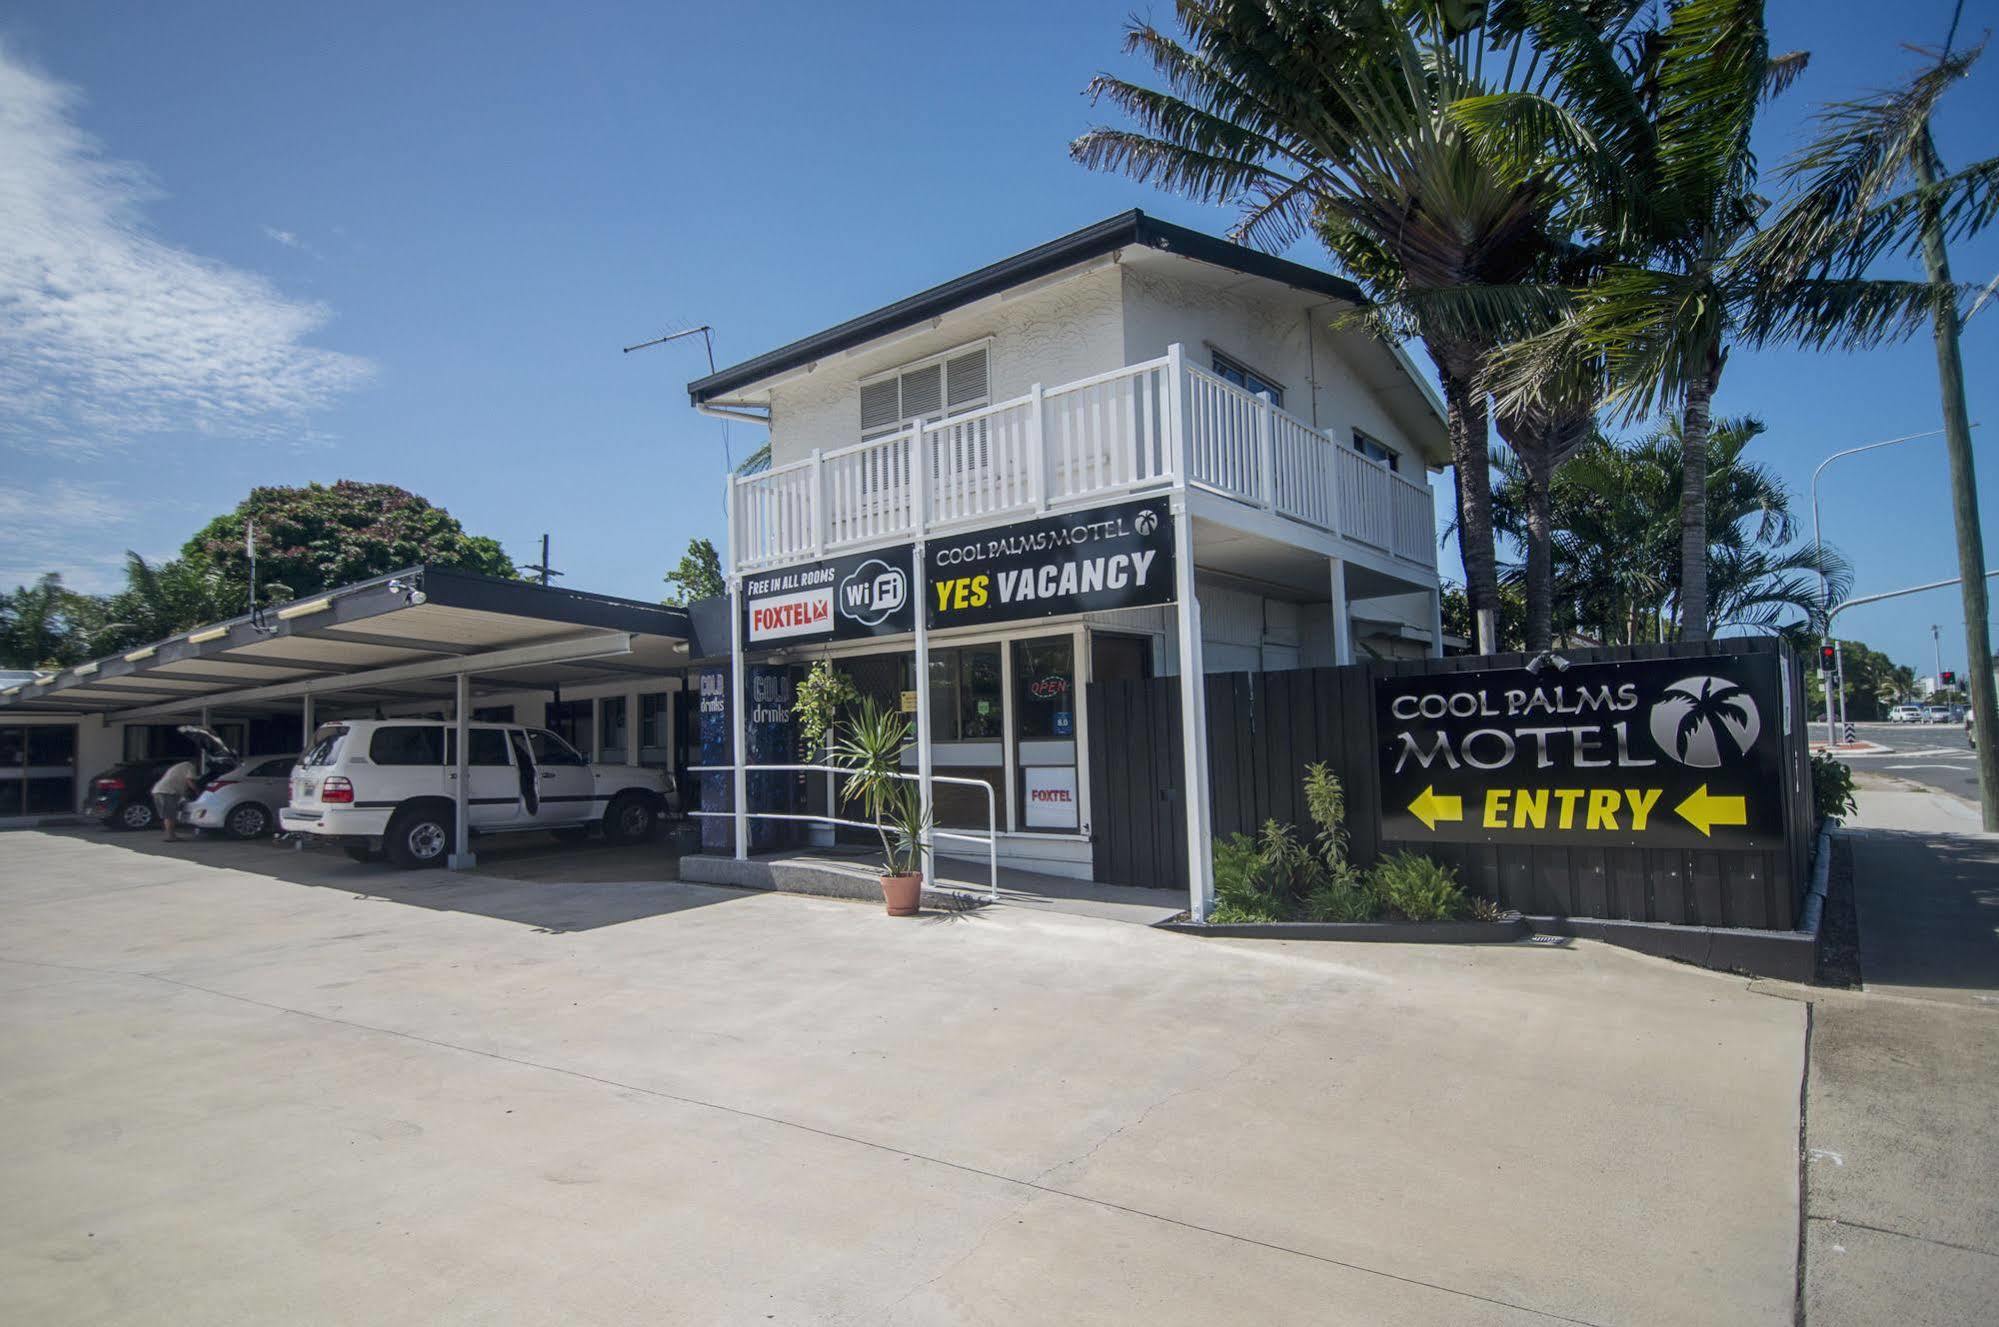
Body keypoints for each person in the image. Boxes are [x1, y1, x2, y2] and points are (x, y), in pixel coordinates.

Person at [151, 757, 198, 841]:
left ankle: (171, 835)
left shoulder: (179, 766)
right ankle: (170, 837)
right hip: (167, 792)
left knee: (168, 815)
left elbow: (181, 783)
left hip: (159, 790)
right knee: (169, 815)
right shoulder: (190, 766)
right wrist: (198, 791)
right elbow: (189, 781)